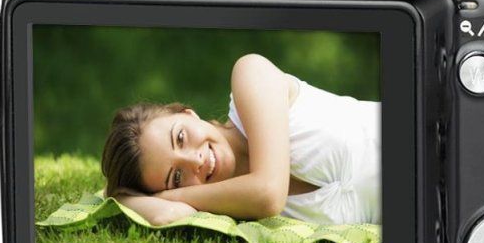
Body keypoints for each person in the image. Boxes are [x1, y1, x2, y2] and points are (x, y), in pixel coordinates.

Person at [101, 54, 381, 227]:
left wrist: (169, 193)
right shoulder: (232, 206)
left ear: (188, 113)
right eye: (176, 177)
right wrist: (129, 201)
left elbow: (268, 193)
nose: (194, 161)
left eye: (181, 137)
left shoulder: (250, 75)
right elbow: (169, 216)